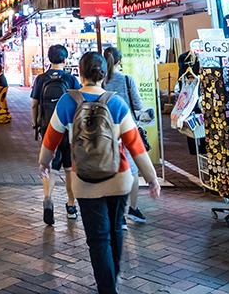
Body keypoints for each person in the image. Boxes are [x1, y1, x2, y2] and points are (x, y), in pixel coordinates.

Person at [39, 51, 160, 294]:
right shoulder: (116, 103)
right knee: (116, 230)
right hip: (119, 178)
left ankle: (107, 287)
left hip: (84, 180)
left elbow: (51, 139)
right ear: (103, 74)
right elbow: (135, 144)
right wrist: (151, 177)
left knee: (97, 239)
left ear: (80, 73)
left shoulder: (67, 101)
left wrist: (44, 162)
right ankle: (111, 281)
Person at [31, 44, 79, 224]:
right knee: (68, 168)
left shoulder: (41, 79)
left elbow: (35, 103)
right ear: (65, 59)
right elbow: (78, 102)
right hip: (68, 128)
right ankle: (71, 205)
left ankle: (48, 199)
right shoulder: (71, 79)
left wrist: (35, 122)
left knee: (49, 165)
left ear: (49, 59)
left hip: (48, 127)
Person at [102, 46, 148, 224]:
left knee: (110, 169)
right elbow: (137, 105)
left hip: (105, 131)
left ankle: (116, 213)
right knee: (133, 171)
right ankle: (133, 209)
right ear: (119, 61)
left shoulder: (102, 82)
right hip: (127, 130)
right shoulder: (127, 80)